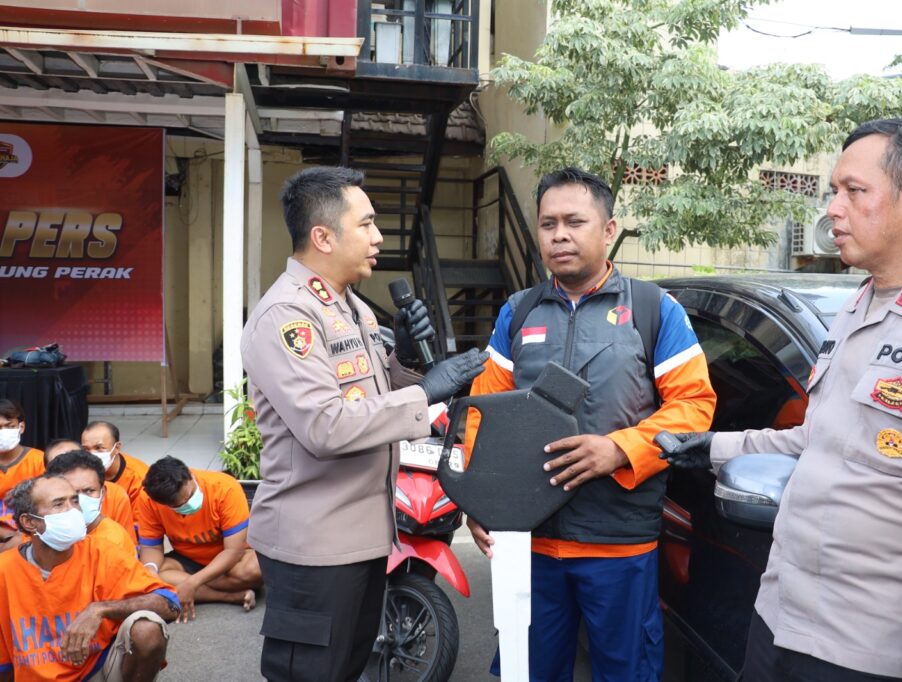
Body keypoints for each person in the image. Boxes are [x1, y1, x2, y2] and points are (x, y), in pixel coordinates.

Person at [661, 119, 902, 681]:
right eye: (835, 191)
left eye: (854, 191)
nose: (833, 208)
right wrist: (713, 446)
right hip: (779, 616)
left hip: (867, 652)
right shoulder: (859, 307)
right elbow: (821, 440)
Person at [465, 167, 717, 681]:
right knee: (528, 672)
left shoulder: (654, 310)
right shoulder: (518, 312)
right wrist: (479, 496)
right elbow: (483, 413)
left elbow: (693, 405)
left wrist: (621, 449)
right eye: (548, 224)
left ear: (608, 230)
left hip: (619, 543)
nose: (559, 235)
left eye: (574, 222)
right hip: (530, 543)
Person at [241, 165, 487, 681]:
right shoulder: (288, 317)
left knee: (347, 669)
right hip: (315, 547)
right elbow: (326, 426)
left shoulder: (352, 307)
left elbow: (368, 397)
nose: (378, 238)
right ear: (323, 237)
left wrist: (405, 360)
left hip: (364, 537)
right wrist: (427, 392)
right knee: (311, 674)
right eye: (367, 224)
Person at [0, 474, 180, 681]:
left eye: (74, 501)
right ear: (29, 522)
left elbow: (170, 604)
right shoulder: (5, 570)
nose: (73, 510)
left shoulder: (102, 551)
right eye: (59, 504)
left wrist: (99, 610)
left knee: (147, 628)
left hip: (97, 670)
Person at [137, 456, 261, 622]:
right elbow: (151, 548)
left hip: (231, 561)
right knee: (151, 575)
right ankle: (231, 596)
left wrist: (193, 582)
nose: (186, 505)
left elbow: (234, 551)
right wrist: (150, 571)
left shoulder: (225, 487)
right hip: (187, 560)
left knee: (256, 569)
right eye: (177, 506)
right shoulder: (148, 499)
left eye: (189, 497)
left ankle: (192, 589)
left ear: (190, 475)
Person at [45, 449, 137, 557]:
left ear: (103, 494)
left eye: (89, 491)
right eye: (72, 491)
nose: (80, 500)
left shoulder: (112, 543)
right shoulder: (43, 530)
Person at [0, 399, 45, 552]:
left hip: (28, 532)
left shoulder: (39, 461)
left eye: (9, 426)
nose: (3, 432)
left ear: (21, 427)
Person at [81, 421, 149, 515]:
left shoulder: (139, 479)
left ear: (117, 448)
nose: (92, 455)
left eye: (99, 448)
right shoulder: (78, 470)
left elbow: (138, 521)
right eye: (86, 449)